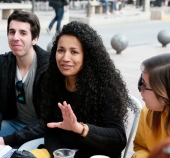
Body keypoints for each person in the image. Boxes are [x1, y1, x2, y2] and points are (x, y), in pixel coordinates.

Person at [36, 21, 130, 158]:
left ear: (87, 56)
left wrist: (80, 129)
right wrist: (61, 154)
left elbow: (118, 138)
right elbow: (51, 130)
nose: (65, 58)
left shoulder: (105, 89)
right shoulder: (53, 82)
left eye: (74, 52)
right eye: (61, 50)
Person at [0, 10, 50, 147]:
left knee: (22, 152)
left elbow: (48, 120)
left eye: (23, 33)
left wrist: (7, 140)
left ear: (34, 39)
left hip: (43, 131)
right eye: (12, 32)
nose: (15, 37)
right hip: (14, 124)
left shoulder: (48, 69)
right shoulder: (4, 64)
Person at [132, 53, 170, 158]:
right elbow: (140, 147)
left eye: (144, 85)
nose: (140, 89)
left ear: (163, 92)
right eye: (140, 82)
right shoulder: (147, 111)